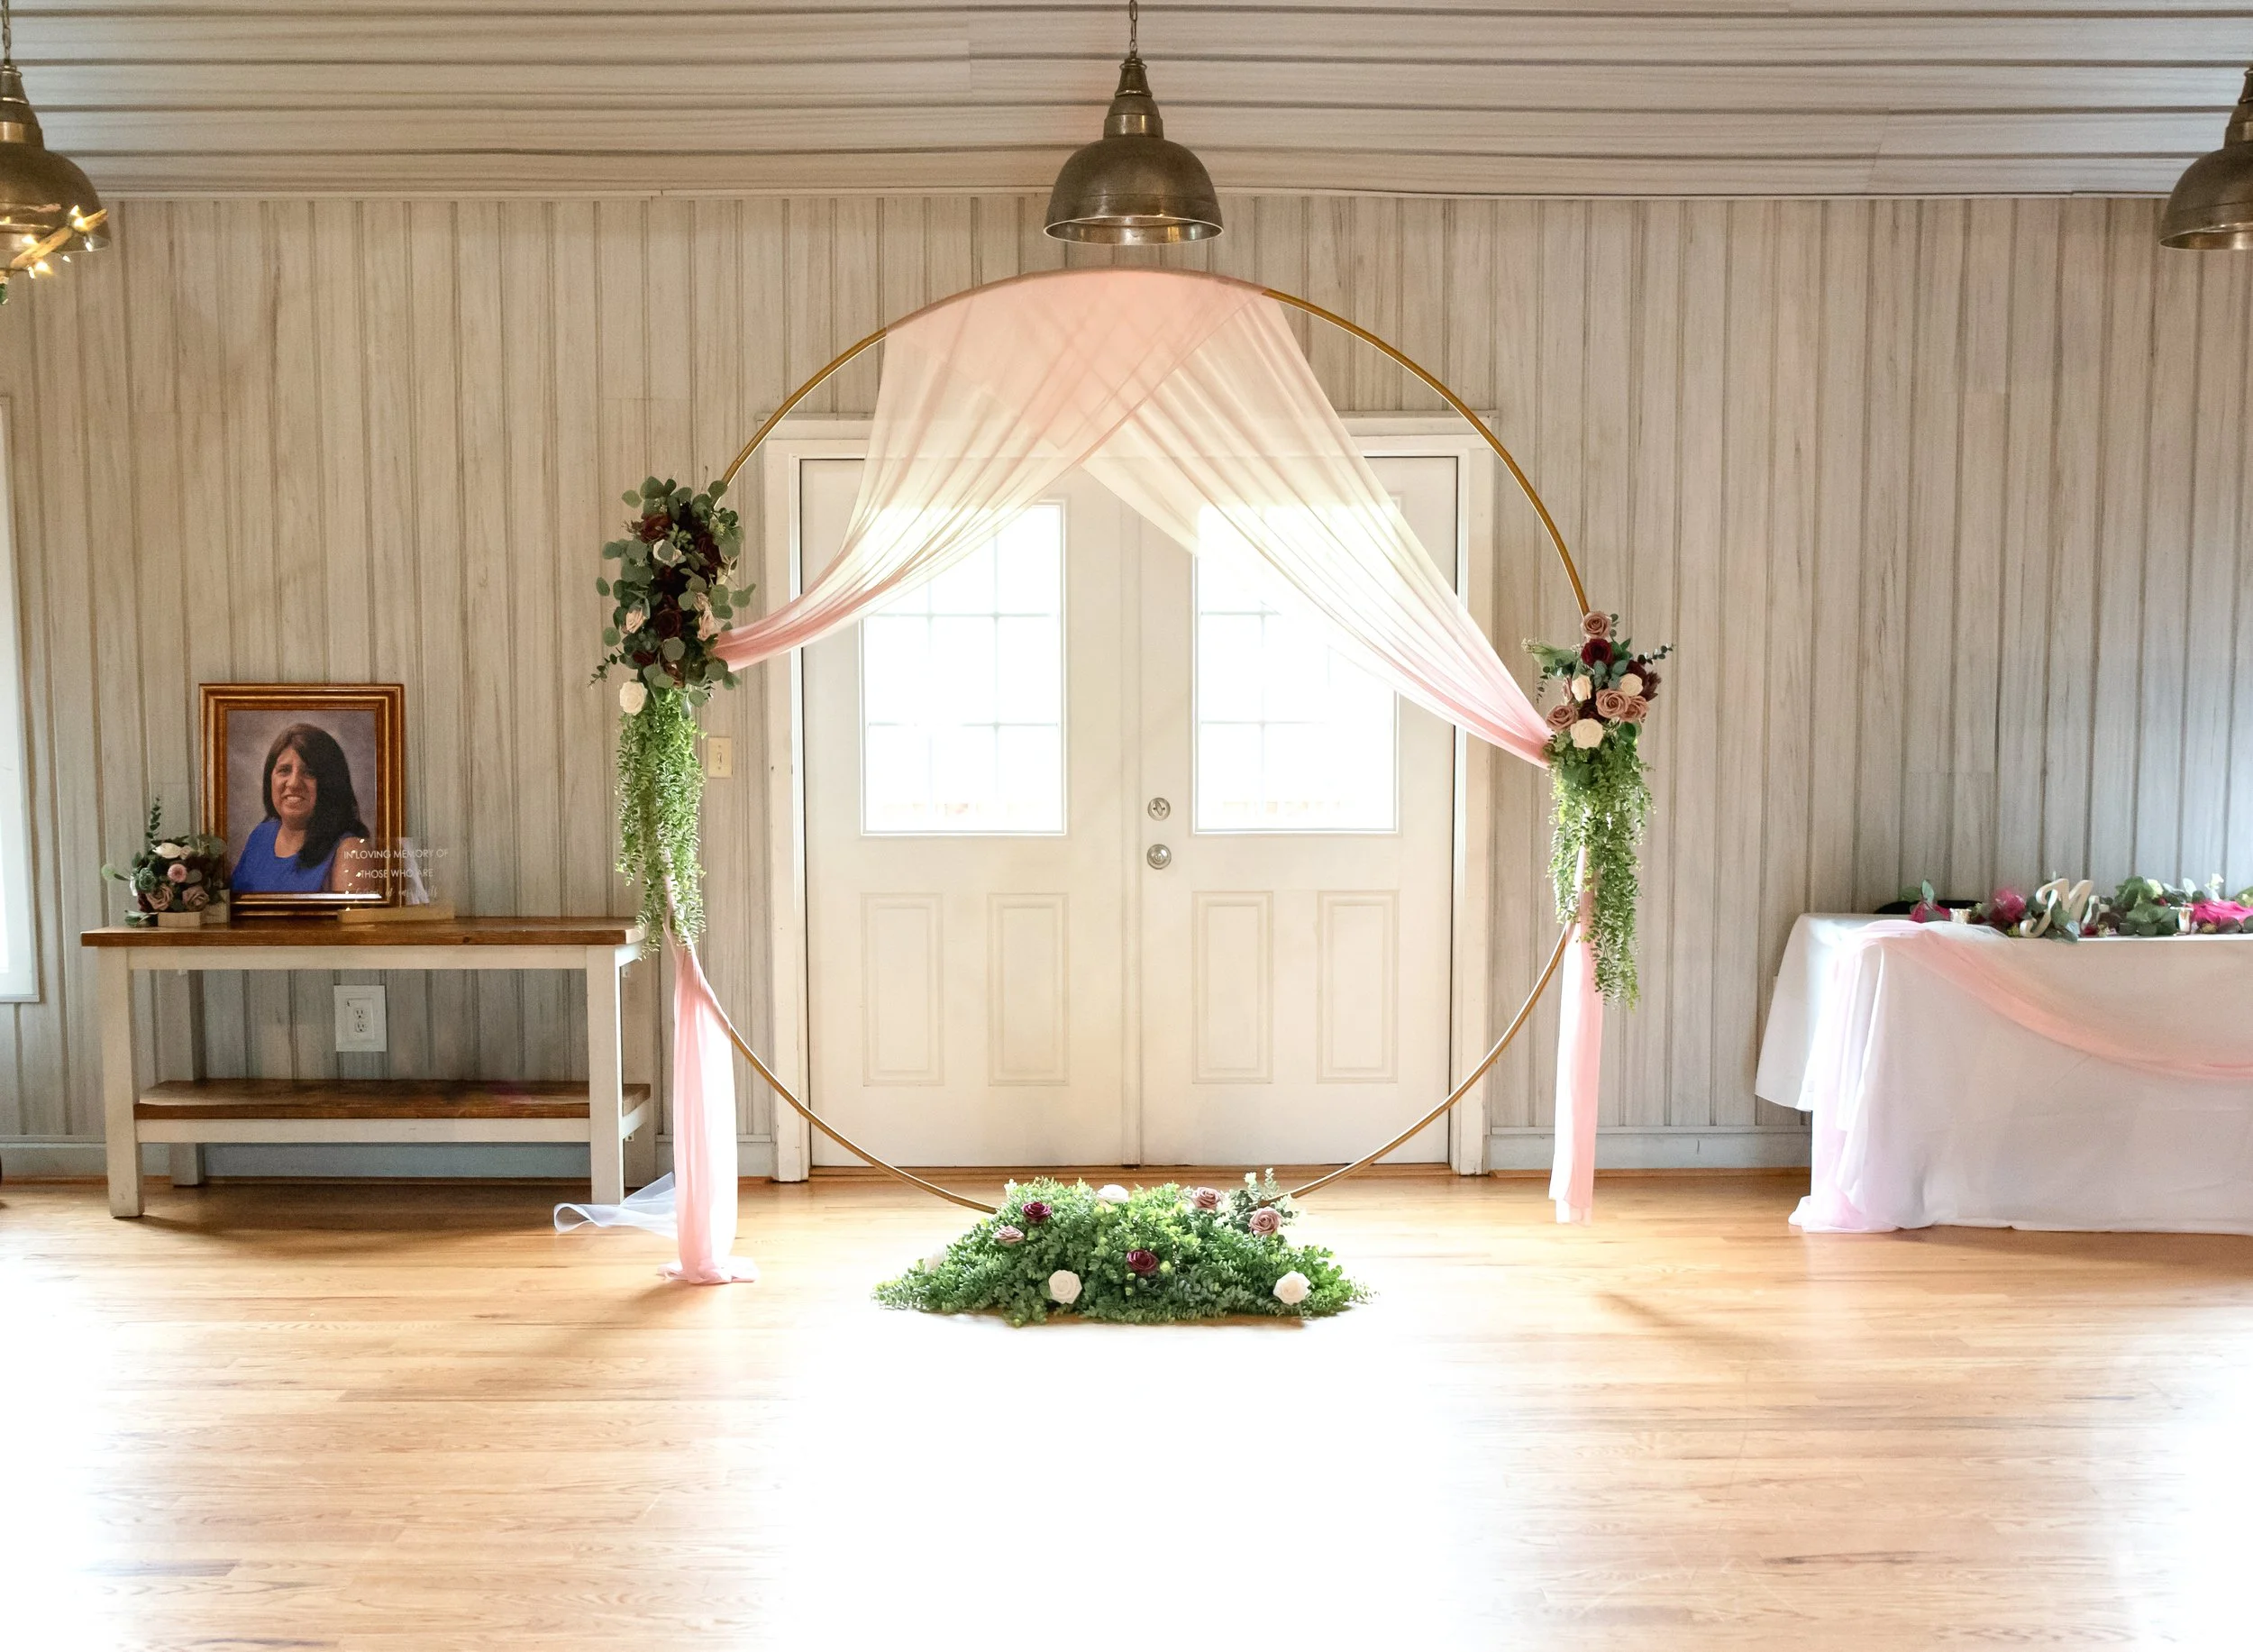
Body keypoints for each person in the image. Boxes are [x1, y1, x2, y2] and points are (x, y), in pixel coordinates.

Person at [230, 723, 375, 895]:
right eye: (284, 770)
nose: (293, 783)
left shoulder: (351, 850)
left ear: (331, 783)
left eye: (309, 773)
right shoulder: (260, 836)